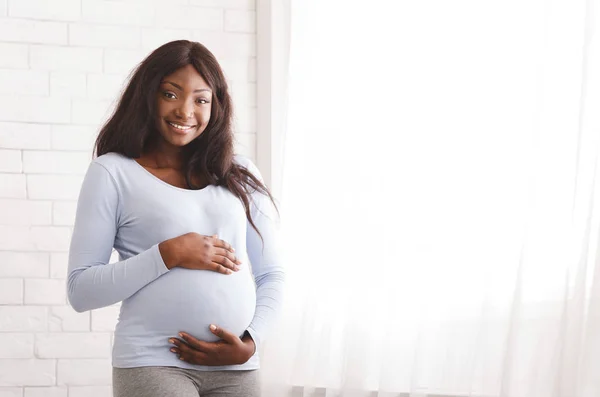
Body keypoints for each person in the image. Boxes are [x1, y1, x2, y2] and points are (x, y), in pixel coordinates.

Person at [66, 40, 284, 397]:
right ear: (148, 95)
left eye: (201, 99)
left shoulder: (240, 173)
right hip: (152, 361)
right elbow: (81, 290)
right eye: (171, 94)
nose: (185, 111)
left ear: (216, 106)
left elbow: (271, 273)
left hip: (236, 366)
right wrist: (168, 254)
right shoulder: (113, 173)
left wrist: (251, 341)